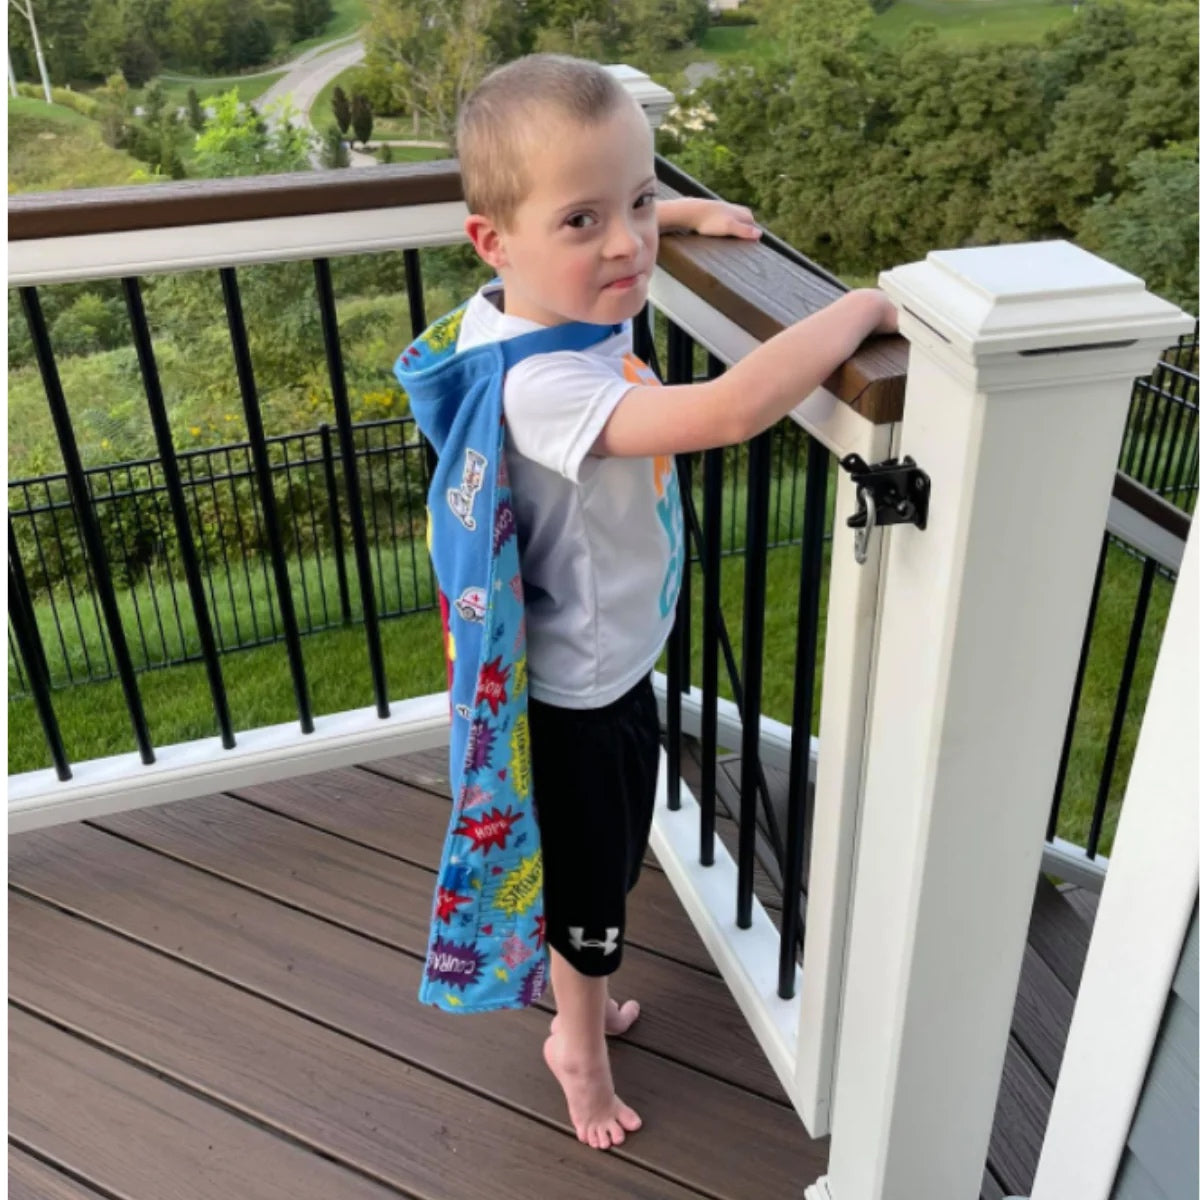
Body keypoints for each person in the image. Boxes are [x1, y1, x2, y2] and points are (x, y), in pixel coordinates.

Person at [430, 52, 897, 1152]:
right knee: (597, 881)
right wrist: (865, 307)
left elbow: (608, 231)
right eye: (585, 220)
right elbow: (731, 410)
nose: (628, 247)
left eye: (636, 205)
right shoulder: (543, 384)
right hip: (580, 692)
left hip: (593, 663)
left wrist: (674, 211)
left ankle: (576, 1000)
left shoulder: (522, 305)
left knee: (594, 856)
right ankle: (577, 1045)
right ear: (495, 243)